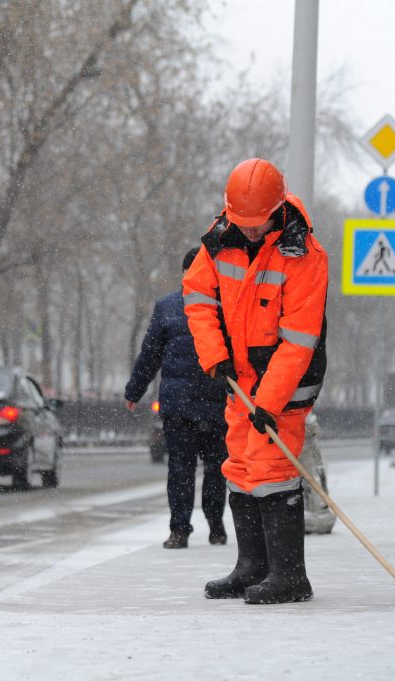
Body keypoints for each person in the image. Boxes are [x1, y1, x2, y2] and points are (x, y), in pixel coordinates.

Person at [182, 157, 328, 605]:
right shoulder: (219, 238)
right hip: (240, 376)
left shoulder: (304, 255)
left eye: (256, 223)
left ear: (277, 210)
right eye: (240, 221)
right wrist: (216, 356)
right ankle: (252, 568)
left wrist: (269, 400)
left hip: (288, 377)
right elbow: (198, 296)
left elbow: (299, 341)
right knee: (240, 465)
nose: (247, 231)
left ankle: (290, 576)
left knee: (272, 466)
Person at [124, 247, 229, 549]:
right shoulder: (222, 305)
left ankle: (180, 531)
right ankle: (215, 525)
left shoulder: (168, 306)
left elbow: (150, 355)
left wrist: (135, 390)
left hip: (179, 404)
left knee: (181, 468)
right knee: (215, 468)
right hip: (214, 403)